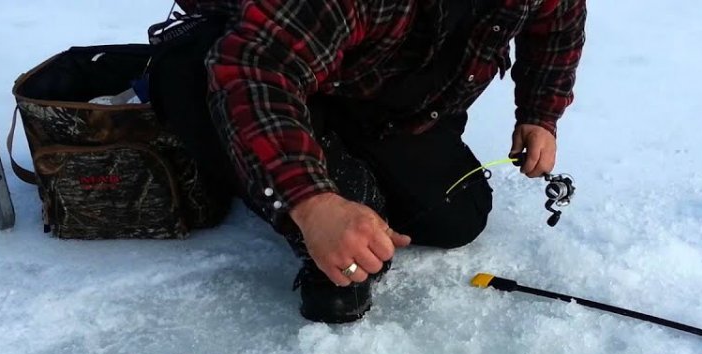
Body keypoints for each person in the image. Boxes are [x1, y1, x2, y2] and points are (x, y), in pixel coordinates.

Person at [165, 0, 586, 323]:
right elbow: (253, 67)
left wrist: (539, 113)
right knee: (340, 266)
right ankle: (231, 127)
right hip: (255, 54)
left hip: (378, 87)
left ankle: (331, 153)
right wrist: (313, 203)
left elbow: (558, 20)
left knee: (455, 218)